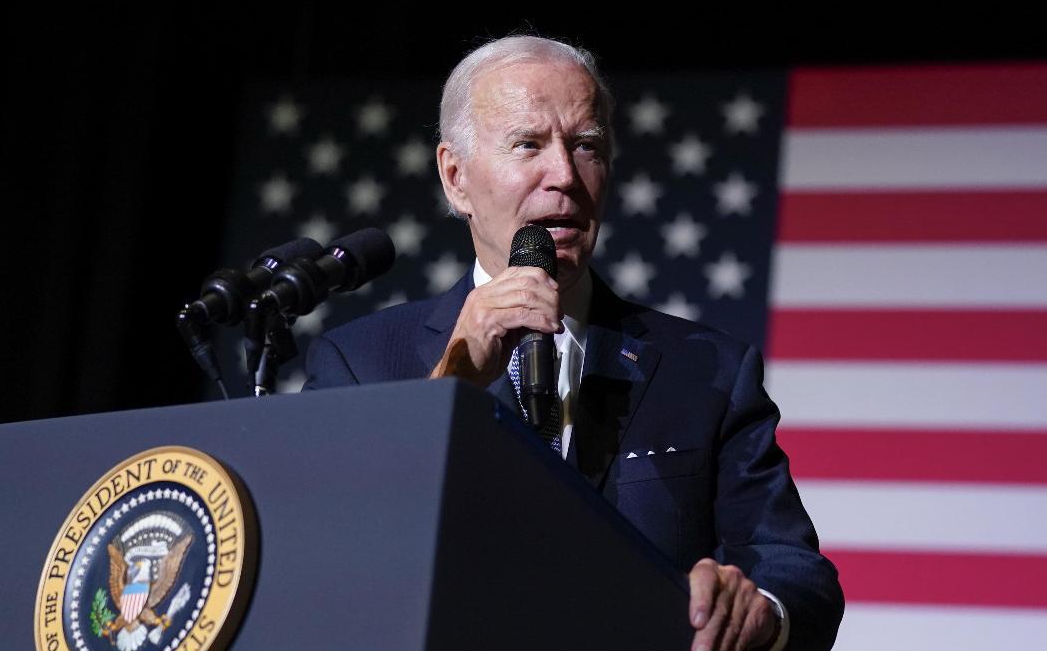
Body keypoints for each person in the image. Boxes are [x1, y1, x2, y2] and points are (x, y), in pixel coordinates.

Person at [303, 35, 844, 651]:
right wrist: (454, 383)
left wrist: (759, 611)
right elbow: (328, 557)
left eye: (586, 146)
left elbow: (797, 572)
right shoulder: (359, 363)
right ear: (455, 178)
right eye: (527, 144)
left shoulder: (710, 371)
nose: (564, 176)